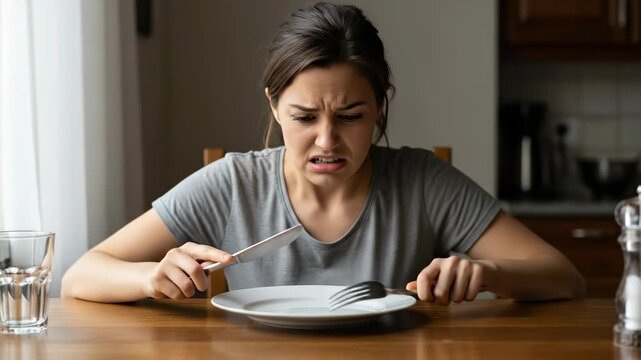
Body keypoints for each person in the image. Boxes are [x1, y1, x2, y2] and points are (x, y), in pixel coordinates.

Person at [61, 2, 585, 304]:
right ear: (273, 105)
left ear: (380, 107)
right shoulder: (232, 183)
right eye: (305, 118)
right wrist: (150, 277)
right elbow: (81, 274)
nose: (328, 141)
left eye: (351, 116)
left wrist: (489, 272)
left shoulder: (423, 181)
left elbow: (564, 276)